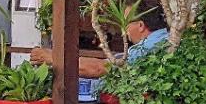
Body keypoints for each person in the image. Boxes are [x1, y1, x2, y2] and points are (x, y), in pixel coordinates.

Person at [29, 9, 169, 79]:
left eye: (125, 22)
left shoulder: (148, 47)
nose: (123, 29)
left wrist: (54, 58)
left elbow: (99, 68)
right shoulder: (166, 37)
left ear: (140, 25)